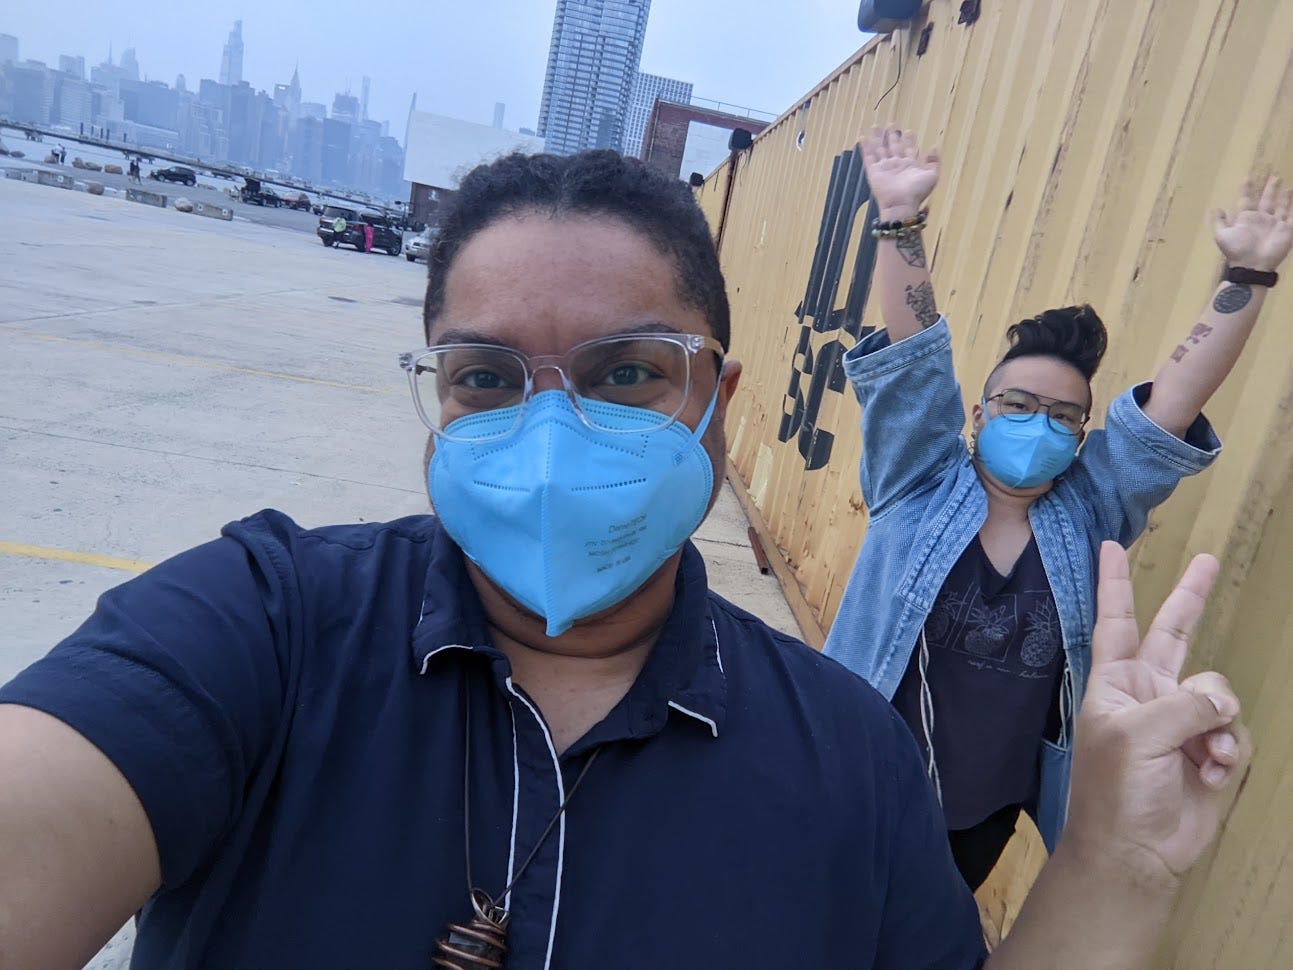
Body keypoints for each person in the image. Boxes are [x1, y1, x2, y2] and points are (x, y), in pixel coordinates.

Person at [0, 150, 1252, 969]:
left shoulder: (856, 762)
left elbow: (1156, 418)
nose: (552, 431)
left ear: (720, 400)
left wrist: (1112, 866)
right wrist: (902, 221)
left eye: (630, 372)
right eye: (487, 377)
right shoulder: (262, 627)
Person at [824, 124, 1291, 889]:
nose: (1038, 423)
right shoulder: (917, 480)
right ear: (978, 413)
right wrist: (899, 221)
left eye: (1063, 415)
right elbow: (911, 366)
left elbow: (1167, 408)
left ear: (1082, 434)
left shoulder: (1090, 510)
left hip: (980, 816)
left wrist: (1247, 275)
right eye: (1016, 403)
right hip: (851, 783)